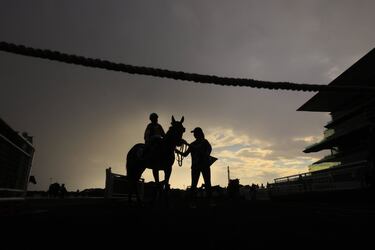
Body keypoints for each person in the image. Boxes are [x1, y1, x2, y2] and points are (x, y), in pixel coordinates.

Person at [176, 127, 213, 204]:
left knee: (207, 183)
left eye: (195, 133)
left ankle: (209, 201)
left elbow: (209, 151)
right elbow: (185, 154)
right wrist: (177, 151)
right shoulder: (193, 144)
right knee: (194, 184)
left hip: (204, 165)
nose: (194, 135)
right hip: (196, 166)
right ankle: (193, 202)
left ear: (199, 133)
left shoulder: (205, 142)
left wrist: (204, 154)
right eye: (194, 133)